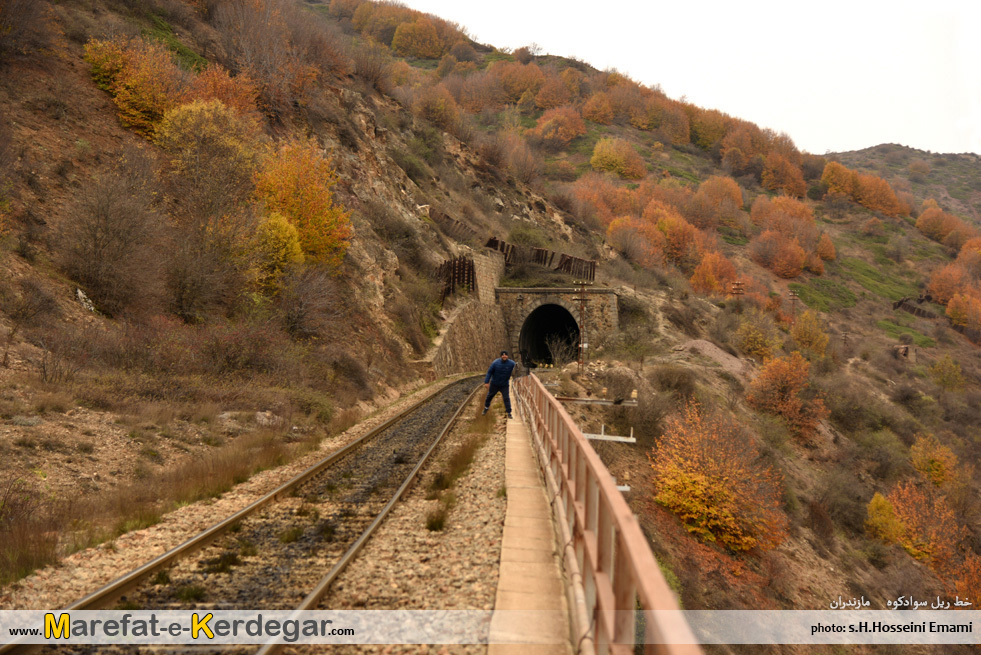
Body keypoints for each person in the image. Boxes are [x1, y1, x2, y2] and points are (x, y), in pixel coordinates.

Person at [483, 350, 516, 419]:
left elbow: (517, 370)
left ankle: (509, 412)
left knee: (506, 398)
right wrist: (486, 382)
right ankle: (486, 407)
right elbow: (489, 372)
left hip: (504, 385)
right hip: (494, 384)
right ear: (501, 356)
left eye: (505, 355)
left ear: (507, 356)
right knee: (489, 396)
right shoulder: (495, 363)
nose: (504, 356)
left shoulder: (512, 363)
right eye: (503, 355)